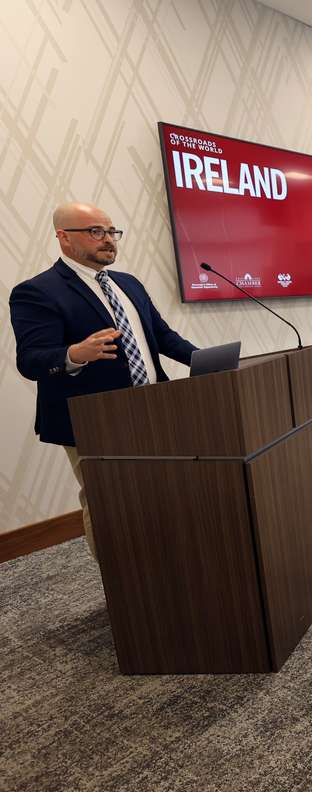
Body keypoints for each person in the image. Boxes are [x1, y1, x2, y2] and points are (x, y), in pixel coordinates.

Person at [9, 202, 199, 558]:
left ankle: (166, 566)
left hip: (154, 406)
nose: (109, 239)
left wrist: (206, 361)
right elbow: (30, 361)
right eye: (96, 232)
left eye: (112, 231)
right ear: (64, 237)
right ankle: (120, 579)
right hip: (93, 420)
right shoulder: (37, 291)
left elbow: (162, 336)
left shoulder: (128, 284)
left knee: (161, 492)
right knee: (108, 503)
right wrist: (75, 354)